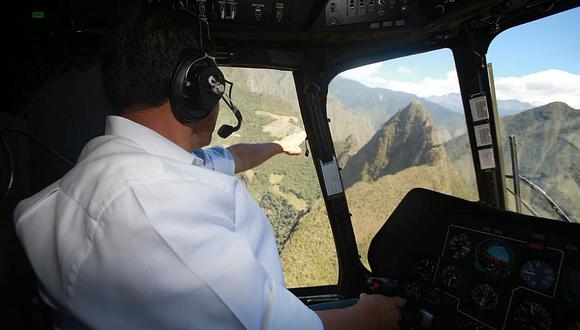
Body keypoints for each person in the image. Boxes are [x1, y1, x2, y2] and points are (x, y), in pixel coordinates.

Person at [14, 5, 405, 330]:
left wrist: (278, 146)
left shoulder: (120, 172)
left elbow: (228, 159)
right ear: (197, 87)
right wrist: (370, 315)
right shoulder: (160, 213)